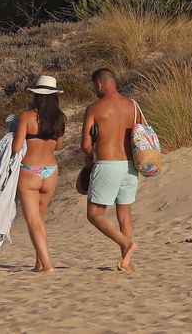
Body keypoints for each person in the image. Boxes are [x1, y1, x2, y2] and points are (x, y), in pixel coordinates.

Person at [81, 67, 139, 271]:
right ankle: (127, 262)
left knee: (95, 214)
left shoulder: (95, 108)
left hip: (108, 164)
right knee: (124, 214)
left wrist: (89, 158)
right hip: (130, 165)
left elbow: (85, 144)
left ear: (99, 83)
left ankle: (126, 244)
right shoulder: (132, 105)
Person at [15, 74, 66, 272]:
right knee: (40, 219)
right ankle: (39, 263)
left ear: (36, 95)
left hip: (30, 171)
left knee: (33, 222)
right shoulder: (60, 118)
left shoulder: (26, 117)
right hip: (51, 171)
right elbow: (59, 145)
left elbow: (16, 146)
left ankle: (47, 265)